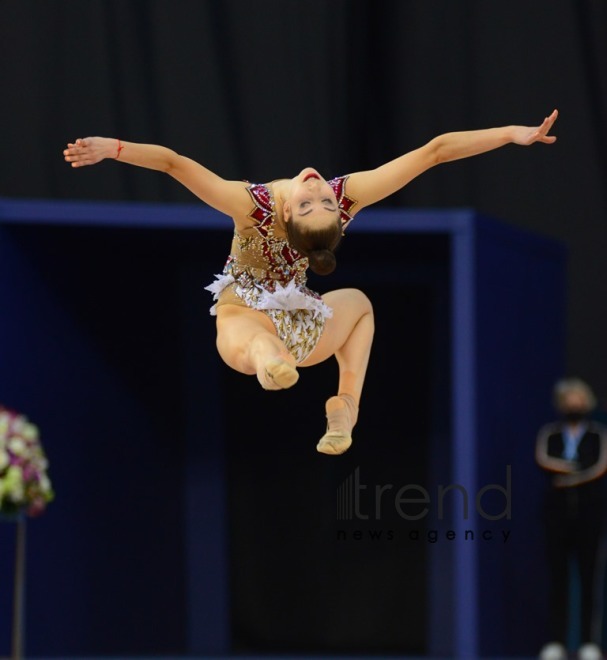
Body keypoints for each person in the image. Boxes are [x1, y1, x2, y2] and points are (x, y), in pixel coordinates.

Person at [63, 109, 558, 455]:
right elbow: (433, 153)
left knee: (252, 328)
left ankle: (302, 380)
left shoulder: (254, 206)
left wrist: (117, 148)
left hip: (264, 317)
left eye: (316, 201)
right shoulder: (345, 196)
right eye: (319, 201)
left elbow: (173, 163)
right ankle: (326, 392)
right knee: (342, 310)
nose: (319, 191)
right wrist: (512, 133)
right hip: (298, 332)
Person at [536, 378, 607, 660]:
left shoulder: (597, 435)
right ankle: (556, 641)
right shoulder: (550, 434)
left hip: (590, 512)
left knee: (590, 577)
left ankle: (590, 643)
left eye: (578, 399)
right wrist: (577, 471)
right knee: (557, 578)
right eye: (568, 400)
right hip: (557, 514)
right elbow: (543, 461)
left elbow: (598, 467)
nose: (573, 405)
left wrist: (567, 475)